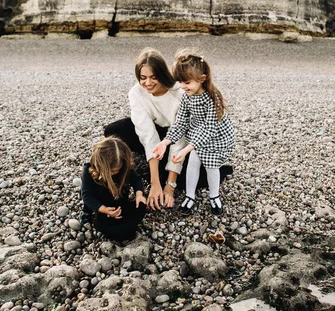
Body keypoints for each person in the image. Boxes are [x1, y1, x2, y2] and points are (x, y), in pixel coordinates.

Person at [153, 49, 235, 216]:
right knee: (193, 162)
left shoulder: (213, 97)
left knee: (212, 166)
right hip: (197, 134)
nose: (183, 86)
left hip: (216, 137)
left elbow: (209, 128)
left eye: (187, 82)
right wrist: (165, 142)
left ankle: (214, 196)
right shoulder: (186, 97)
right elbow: (181, 122)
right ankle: (190, 196)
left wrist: (185, 150)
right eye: (180, 82)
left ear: (202, 79)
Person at [104, 48, 188, 210]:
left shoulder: (180, 94)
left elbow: (179, 141)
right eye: (143, 78)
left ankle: (165, 168)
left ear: (162, 74)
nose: (147, 83)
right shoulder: (136, 93)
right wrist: (155, 183)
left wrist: (169, 187)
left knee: (190, 180)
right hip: (154, 132)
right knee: (113, 131)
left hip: (176, 136)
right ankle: (155, 163)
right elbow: (148, 135)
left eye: (153, 77)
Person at [81, 137, 147, 243]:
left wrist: (139, 194)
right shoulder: (89, 171)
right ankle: (86, 213)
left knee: (141, 206)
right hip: (101, 204)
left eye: (118, 170)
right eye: (112, 171)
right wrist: (104, 209)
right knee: (100, 224)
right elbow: (86, 195)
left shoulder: (123, 168)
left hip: (119, 201)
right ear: (100, 166)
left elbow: (137, 180)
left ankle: (125, 229)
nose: (116, 172)